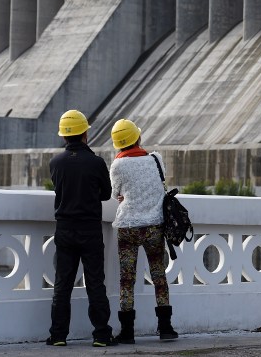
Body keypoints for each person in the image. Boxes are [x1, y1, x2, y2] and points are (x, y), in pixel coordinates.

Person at [47, 109, 117, 347]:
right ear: (85, 133)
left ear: (64, 136)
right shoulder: (96, 162)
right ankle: (101, 334)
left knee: (62, 284)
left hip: (65, 229)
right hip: (90, 230)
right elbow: (106, 194)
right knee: (95, 282)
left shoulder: (55, 162)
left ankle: (58, 336)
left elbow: (59, 189)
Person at [109, 118, 178, 343]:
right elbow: (159, 183)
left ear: (118, 143)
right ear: (137, 137)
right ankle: (166, 328)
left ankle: (127, 332)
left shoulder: (117, 165)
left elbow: (115, 193)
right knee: (159, 275)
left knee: (126, 279)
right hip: (154, 227)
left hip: (128, 226)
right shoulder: (155, 159)